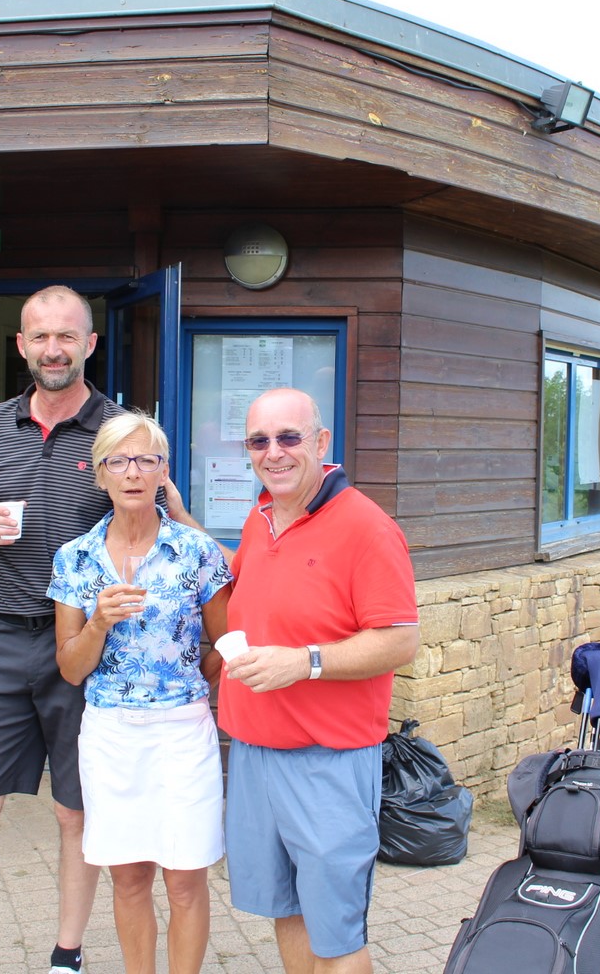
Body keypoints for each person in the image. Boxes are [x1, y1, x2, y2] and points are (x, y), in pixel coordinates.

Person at [0, 284, 130, 974]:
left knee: (76, 816)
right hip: (4, 642)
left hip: (88, 649)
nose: (54, 349)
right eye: (40, 337)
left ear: (90, 344)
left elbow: (157, 525)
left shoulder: (119, 432)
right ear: (21, 345)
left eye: (67, 336)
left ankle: (66, 956)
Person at [216, 387, 420, 974]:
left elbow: (400, 640)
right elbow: (246, 585)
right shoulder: (262, 517)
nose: (273, 452)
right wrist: (176, 520)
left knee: (336, 933)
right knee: (287, 909)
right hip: (253, 752)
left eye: (289, 437)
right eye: (259, 441)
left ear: (321, 442)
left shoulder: (367, 527)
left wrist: (303, 662)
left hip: (326, 761)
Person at [48, 411, 233, 974]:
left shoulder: (195, 552)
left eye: (146, 460)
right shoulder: (76, 558)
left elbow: (229, 642)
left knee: (185, 879)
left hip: (181, 733)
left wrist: (193, 680)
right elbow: (71, 670)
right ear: (99, 474)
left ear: (163, 472)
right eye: (119, 461)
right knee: (129, 879)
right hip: (112, 735)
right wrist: (98, 624)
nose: (133, 472)